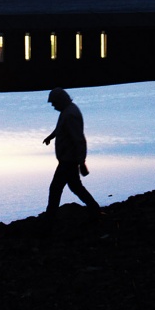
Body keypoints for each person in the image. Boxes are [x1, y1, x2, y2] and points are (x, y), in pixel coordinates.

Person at [42, 88, 102, 225]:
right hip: (67, 159)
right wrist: (51, 136)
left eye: (54, 103)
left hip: (68, 161)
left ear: (60, 101)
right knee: (75, 187)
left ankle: (50, 218)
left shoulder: (70, 114)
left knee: (56, 188)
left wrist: (81, 162)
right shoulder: (67, 112)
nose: (53, 106)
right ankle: (95, 209)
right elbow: (61, 128)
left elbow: (79, 139)